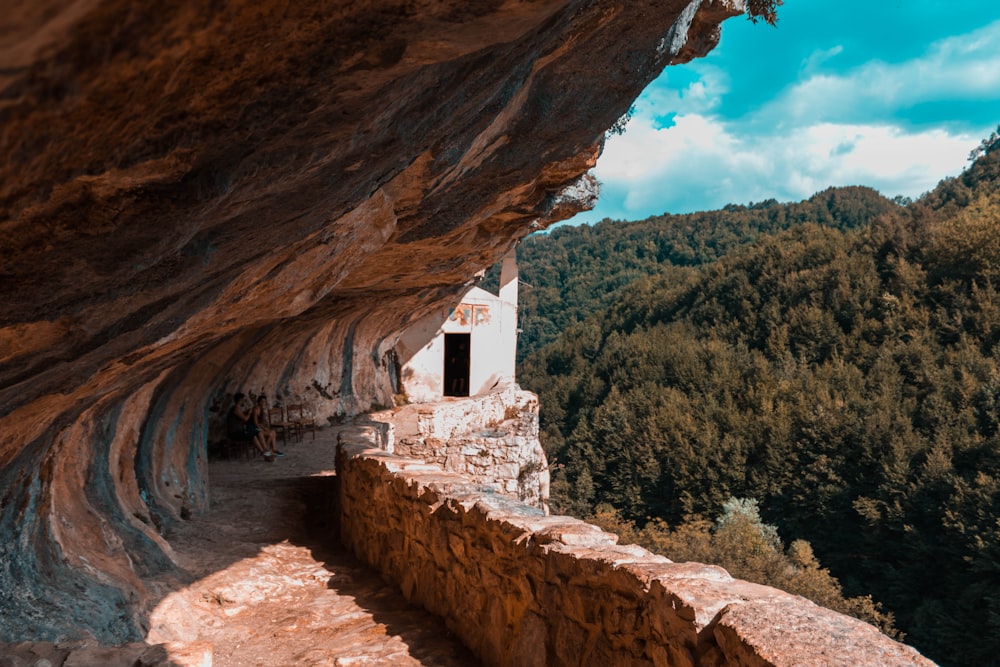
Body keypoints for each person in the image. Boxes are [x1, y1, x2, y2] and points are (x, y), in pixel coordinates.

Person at [227, 392, 277, 461]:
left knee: (257, 433)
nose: (244, 401)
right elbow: (245, 419)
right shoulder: (236, 408)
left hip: (240, 430)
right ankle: (265, 454)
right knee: (253, 435)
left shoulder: (238, 408)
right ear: (240, 400)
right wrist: (250, 412)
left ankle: (266, 450)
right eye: (243, 400)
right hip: (235, 432)